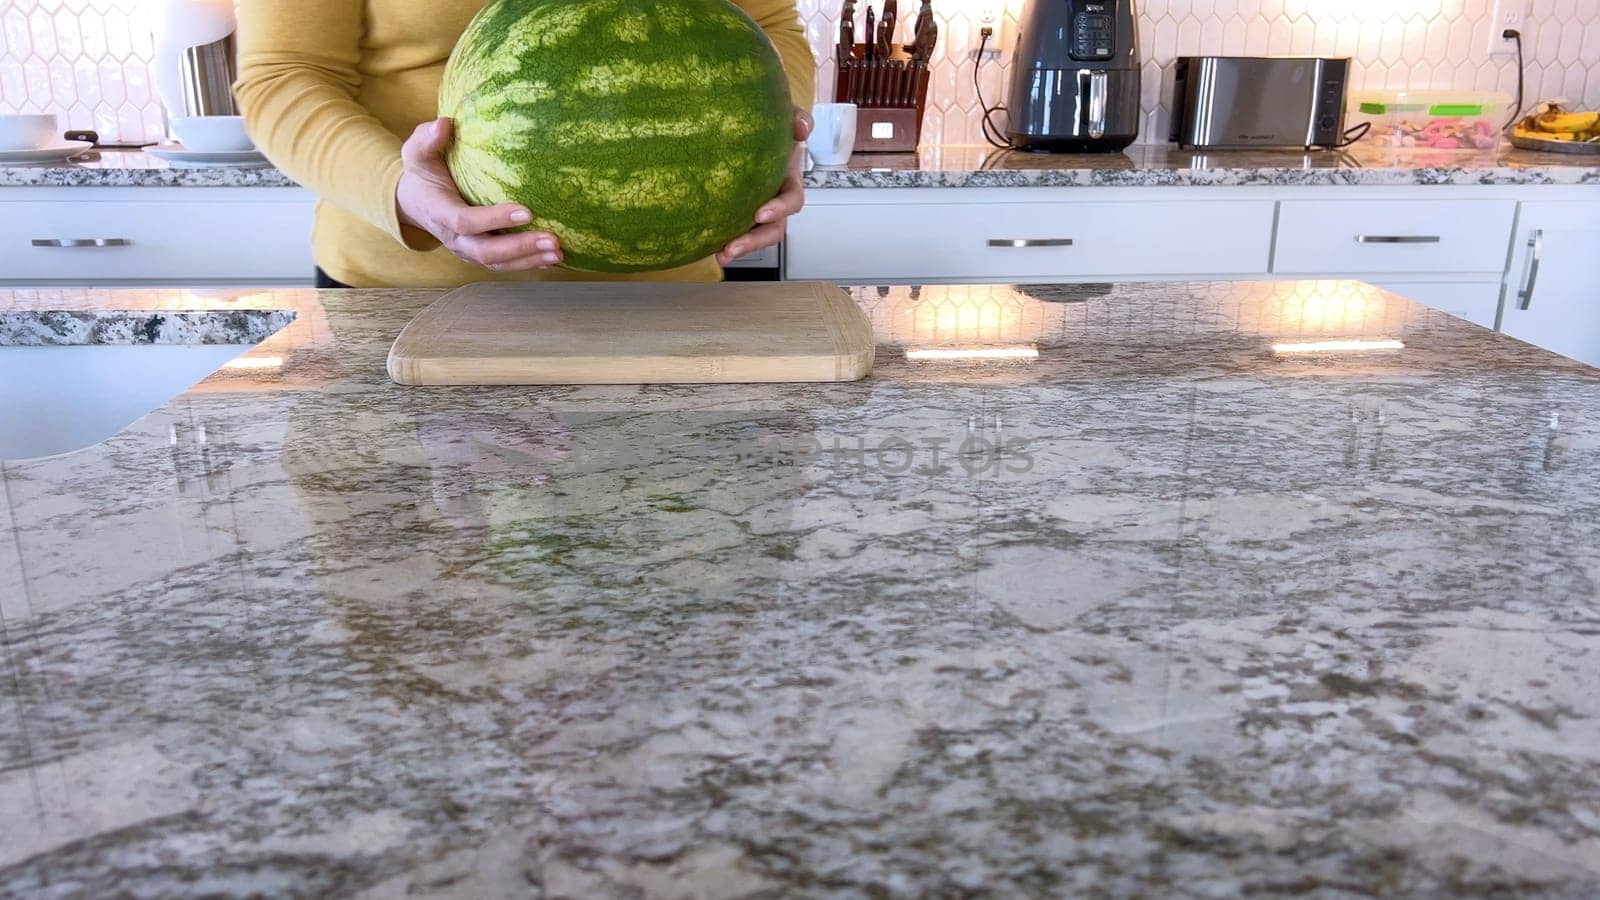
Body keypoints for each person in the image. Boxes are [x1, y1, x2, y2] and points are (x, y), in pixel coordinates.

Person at [234, 1, 815, 289]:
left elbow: (768, 23)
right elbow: (285, 72)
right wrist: (403, 192)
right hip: (407, 304)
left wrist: (774, 137)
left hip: (661, 302)